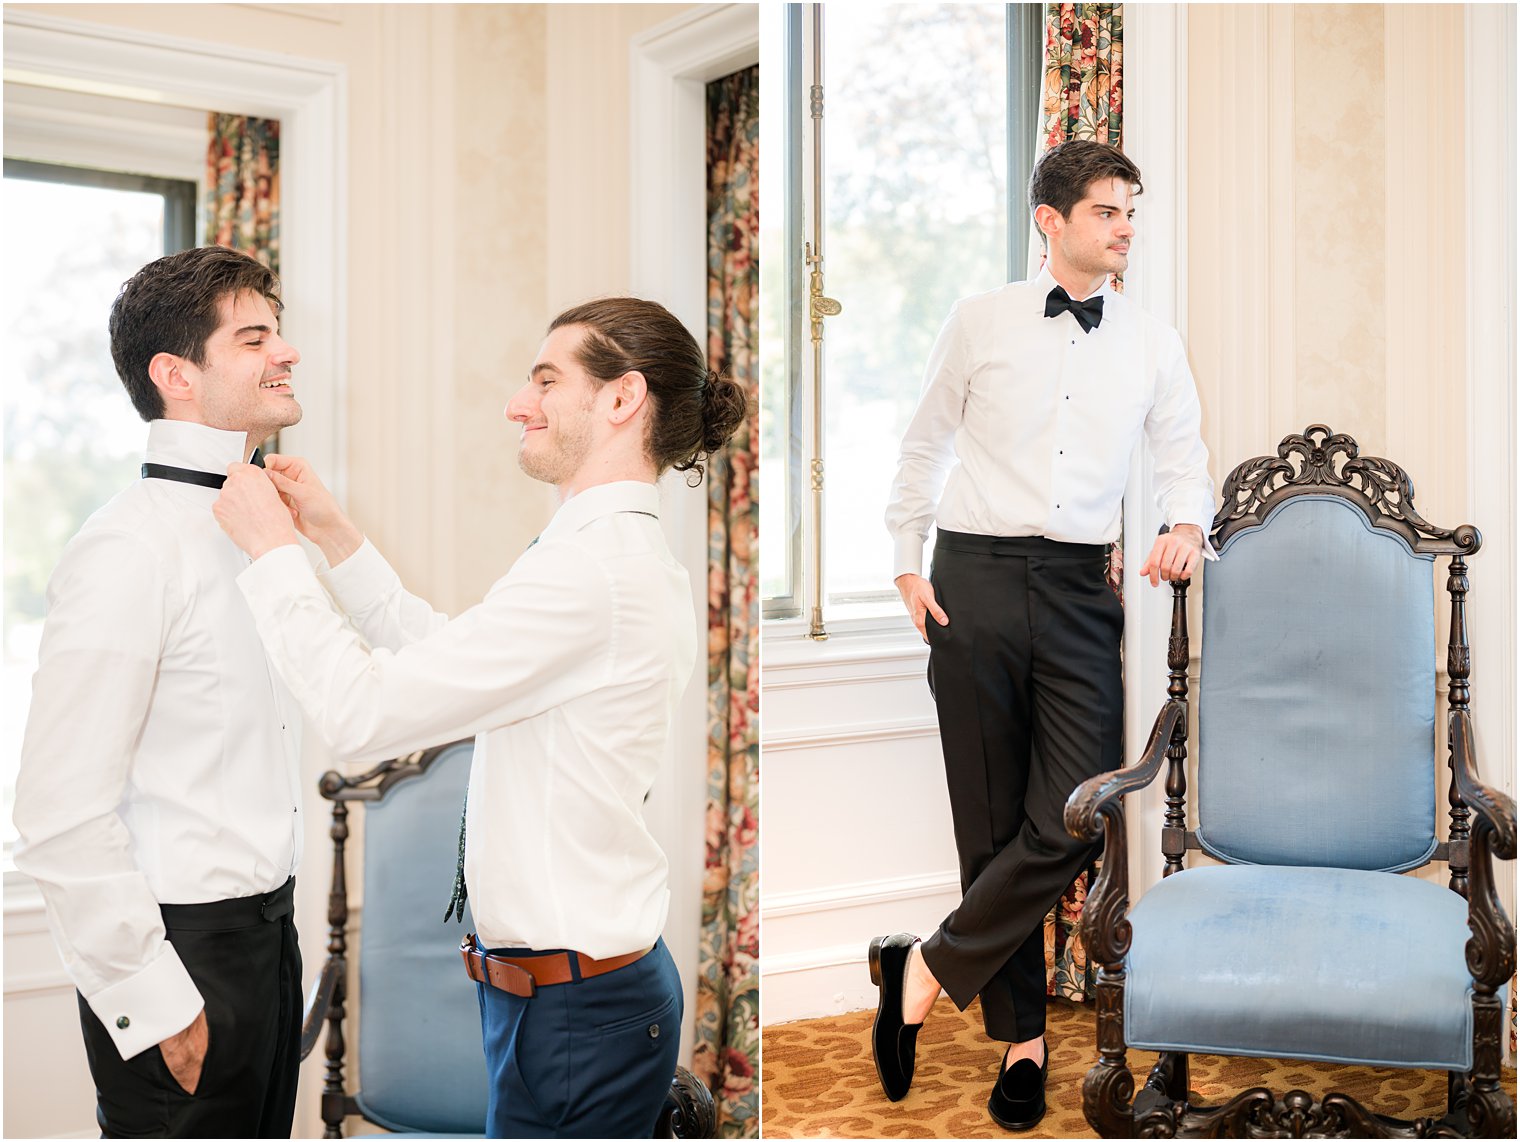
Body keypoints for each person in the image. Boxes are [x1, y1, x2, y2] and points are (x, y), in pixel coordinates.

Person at [212, 297, 747, 1138]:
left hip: (579, 1012)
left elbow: (362, 714)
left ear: (620, 399)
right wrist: (333, 537)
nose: (517, 403)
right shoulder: (593, 559)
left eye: (545, 379)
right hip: (562, 1002)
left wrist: (271, 553)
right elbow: (454, 656)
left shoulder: (595, 573)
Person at [875, 139, 1216, 1130]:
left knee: (1073, 812)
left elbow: (1179, 452)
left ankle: (924, 966)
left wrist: (1182, 523)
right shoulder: (978, 319)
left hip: (1077, 586)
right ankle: (1020, 1043)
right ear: (1050, 221)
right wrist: (905, 556)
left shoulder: (1151, 338)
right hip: (970, 578)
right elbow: (923, 440)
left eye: (1129, 212)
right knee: (987, 822)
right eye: (1106, 210)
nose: (1122, 228)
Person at [12, 246, 306, 1137]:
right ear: (175, 373)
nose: (287, 353)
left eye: (279, 333)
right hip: (184, 962)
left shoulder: (268, 529)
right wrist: (153, 1000)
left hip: (272, 947)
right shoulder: (125, 548)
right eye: (254, 338)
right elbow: (59, 809)